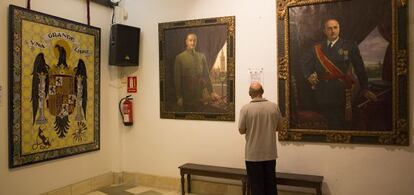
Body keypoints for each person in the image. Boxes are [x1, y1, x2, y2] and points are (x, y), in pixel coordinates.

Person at [301, 18, 377, 130]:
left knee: (339, 123)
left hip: (341, 91)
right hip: (322, 91)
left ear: (339, 29)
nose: (333, 31)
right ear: (325, 31)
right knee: (326, 123)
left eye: (335, 28)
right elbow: (303, 61)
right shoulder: (317, 48)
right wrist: (308, 75)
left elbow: (360, 68)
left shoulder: (350, 46)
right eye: (329, 28)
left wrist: (365, 88)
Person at [238, 82, 284, 195]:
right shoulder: (274, 107)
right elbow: (279, 127)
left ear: (250, 93)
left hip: (253, 155)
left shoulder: (246, 109)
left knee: (256, 187)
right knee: (270, 185)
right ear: (262, 92)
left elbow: (241, 130)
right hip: (270, 153)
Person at [174, 33, 219, 111]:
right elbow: (177, 79)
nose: (192, 43)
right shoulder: (180, 58)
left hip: (199, 96)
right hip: (186, 97)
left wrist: (211, 92)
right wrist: (179, 97)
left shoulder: (201, 57)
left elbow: (206, 76)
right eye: (190, 40)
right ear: (186, 42)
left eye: (194, 40)